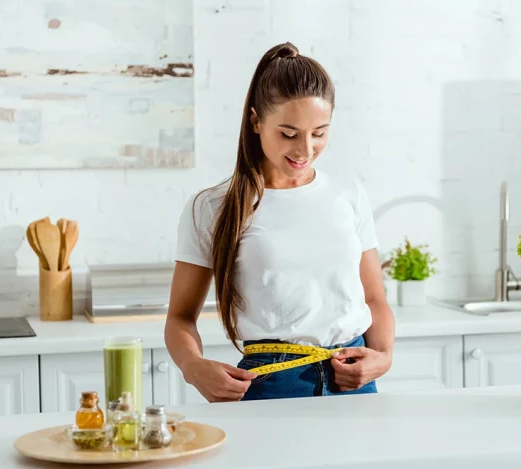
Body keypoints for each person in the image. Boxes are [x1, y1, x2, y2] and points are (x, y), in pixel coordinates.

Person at [164, 41, 395, 402]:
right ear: (256, 121)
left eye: (319, 133)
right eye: (289, 134)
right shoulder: (213, 207)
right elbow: (179, 317)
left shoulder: (348, 193)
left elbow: (375, 298)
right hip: (274, 384)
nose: (305, 150)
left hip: (355, 378)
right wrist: (194, 368)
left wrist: (382, 357)